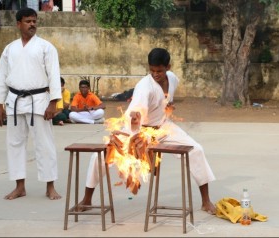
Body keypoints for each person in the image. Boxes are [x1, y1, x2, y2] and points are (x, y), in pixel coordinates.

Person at [78, 48, 216, 215]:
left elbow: (166, 100)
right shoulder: (144, 87)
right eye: (152, 70)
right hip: (138, 131)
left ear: (168, 67)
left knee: (196, 150)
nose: (155, 74)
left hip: (164, 127)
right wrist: (136, 138)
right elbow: (133, 116)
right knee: (99, 156)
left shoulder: (172, 79)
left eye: (159, 70)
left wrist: (168, 107)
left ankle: (206, 201)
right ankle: (86, 199)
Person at [0, 8, 62, 200]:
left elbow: (54, 75)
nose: (32, 24)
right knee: (14, 144)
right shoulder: (10, 48)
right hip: (14, 101)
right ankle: (19, 186)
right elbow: (1, 77)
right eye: (28, 21)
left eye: (34, 21)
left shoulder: (47, 47)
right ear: (18, 24)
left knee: (44, 144)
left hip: (39, 100)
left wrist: (53, 103)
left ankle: (50, 186)